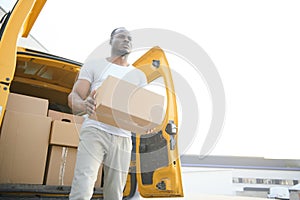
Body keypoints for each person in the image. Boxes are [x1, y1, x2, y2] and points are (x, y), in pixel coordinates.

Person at [68, 27, 148, 200]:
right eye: (121, 36)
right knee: (82, 188)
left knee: (115, 194)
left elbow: (141, 110)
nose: (126, 39)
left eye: (129, 38)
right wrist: (83, 104)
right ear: (111, 41)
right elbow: (73, 97)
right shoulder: (94, 65)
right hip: (95, 130)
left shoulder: (139, 75)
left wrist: (146, 124)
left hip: (123, 138)